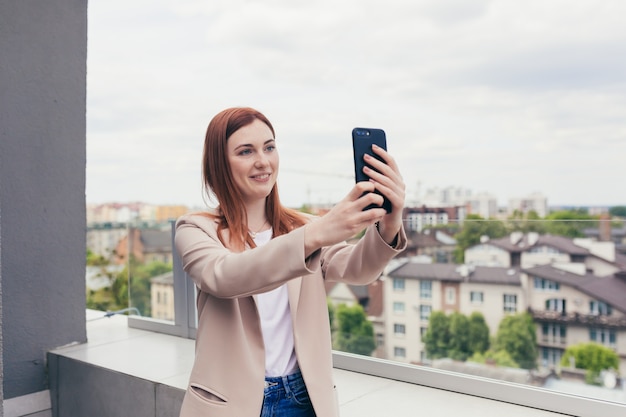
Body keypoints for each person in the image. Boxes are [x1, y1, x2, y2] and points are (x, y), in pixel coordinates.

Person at [174, 107, 407, 417]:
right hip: (232, 402)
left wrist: (389, 223)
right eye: (246, 151)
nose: (263, 161)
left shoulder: (304, 227)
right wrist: (315, 234)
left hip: (303, 398)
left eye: (269, 147)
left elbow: (359, 268)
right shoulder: (195, 228)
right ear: (219, 164)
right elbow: (223, 276)